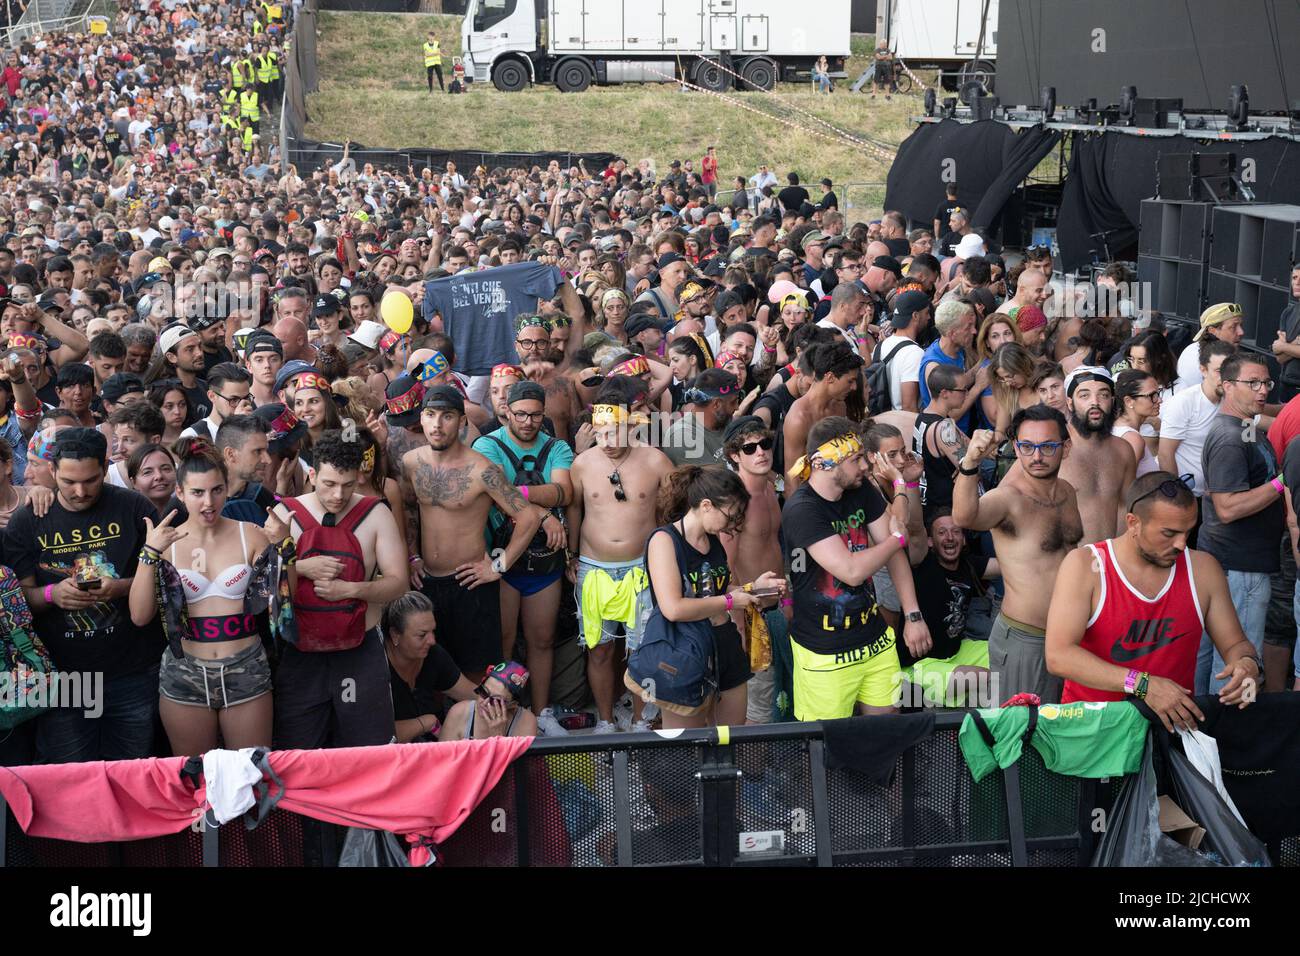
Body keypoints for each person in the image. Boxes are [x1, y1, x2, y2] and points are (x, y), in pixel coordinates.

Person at [1045, 472, 1260, 731]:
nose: (1181, 544)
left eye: (1188, 531)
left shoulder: (1203, 569)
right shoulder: (1086, 566)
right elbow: (1058, 656)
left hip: (1170, 731)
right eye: (1169, 533)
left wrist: (1247, 665)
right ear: (1133, 523)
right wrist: (1143, 685)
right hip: (1093, 732)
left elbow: (1235, 644)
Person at [5, 427, 159, 763]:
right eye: (69, 481)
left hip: (131, 669)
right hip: (64, 677)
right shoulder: (29, 519)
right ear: (53, 472)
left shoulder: (134, 508)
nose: (80, 491)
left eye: (90, 480)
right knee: (69, 779)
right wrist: (52, 594)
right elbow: (17, 601)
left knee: (133, 773)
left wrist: (119, 587)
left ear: (105, 469)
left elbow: (164, 581)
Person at [128, 440, 272, 755]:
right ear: (180, 492)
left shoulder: (252, 534)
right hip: (185, 671)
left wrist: (285, 547)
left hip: (246, 666)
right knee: (194, 776)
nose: (208, 502)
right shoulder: (166, 544)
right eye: (197, 493)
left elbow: (283, 606)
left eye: (217, 490)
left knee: (250, 775)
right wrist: (149, 552)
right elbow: (140, 615)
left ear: (226, 489)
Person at [781, 417, 931, 719]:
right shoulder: (801, 509)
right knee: (829, 744)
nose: (865, 466)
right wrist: (896, 539)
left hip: (874, 641)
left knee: (888, 731)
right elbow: (850, 570)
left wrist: (913, 614)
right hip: (824, 652)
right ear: (823, 464)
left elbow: (895, 555)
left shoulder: (860, 491)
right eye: (856, 459)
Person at [269, 429, 409, 749]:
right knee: (297, 749)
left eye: (347, 485)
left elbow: (398, 583)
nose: (337, 495)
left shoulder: (376, 513)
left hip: (359, 648)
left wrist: (350, 590)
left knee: (368, 749)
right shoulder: (286, 513)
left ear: (358, 476)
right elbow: (264, 584)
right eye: (329, 484)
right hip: (301, 651)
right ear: (313, 474)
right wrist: (300, 567)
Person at [401, 385, 545, 677]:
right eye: (430, 415)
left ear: (463, 421)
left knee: (479, 673)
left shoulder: (483, 470)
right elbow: (408, 510)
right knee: (430, 671)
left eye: (447, 416)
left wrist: (498, 565)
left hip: (470, 585)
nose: (438, 425)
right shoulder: (411, 462)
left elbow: (528, 517)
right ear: (422, 418)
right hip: (427, 582)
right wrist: (413, 556)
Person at [634, 465, 783, 728]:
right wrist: (729, 602)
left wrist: (752, 588)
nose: (734, 525)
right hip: (684, 649)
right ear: (706, 506)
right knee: (685, 744)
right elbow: (673, 608)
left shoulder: (712, 539)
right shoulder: (664, 540)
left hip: (724, 643)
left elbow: (713, 589)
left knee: (730, 735)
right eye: (731, 515)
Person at [954, 406, 1084, 702]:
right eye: (1027, 447)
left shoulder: (1067, 492)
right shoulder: (1009, 498)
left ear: (1065, 448)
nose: (1036, 456)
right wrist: (971, 462)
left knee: (1060, 728)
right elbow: (964, 517)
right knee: (1021, 734)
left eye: (1047, 446)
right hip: (1027, 638)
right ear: (1016, 447)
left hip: (1069, 636)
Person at [566, 383, 674, 733]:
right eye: (601, 432)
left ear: (632, 426)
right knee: (598, 649)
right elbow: (574, 511)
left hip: (643, 569)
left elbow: (672, 512)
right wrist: (570, 555)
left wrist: (669, 561)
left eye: (615, 431)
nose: (608, 439)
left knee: (641, 650)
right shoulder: (582, 464)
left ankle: (643, 719)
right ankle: (606, 720)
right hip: (593, 567)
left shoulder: (655, 460)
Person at [471, 379, 573, 737]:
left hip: (544, 559)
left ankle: (541, 711)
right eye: (520, 414)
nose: (528, 421)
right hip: (503, 555)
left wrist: (521, 493)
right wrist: (544, 513)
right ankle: (499, 710)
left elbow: (565, 490)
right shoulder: (487, 443)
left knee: (541, 639)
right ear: (506, 413)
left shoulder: (557, 446)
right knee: (503, 639)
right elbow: (497, 491)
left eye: (535, 415)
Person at [1197, 351, 1285, 693]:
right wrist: (1283, 482)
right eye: (1253, 383)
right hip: (1239, 570)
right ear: (1227, 386)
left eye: (1266, 382)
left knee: (1213, 662)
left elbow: (1271, 424)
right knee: (1238, 668)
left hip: (1236, 566)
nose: (1262, 390)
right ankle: (1228, 741)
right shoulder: (1230, 438)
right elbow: (1228, 508)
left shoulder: (1244, 426)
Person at [719, 416, 793, 723]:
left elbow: (777, 551)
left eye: (765, 444)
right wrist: (739, 628)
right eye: (750, 448)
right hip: (749, 617)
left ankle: (775, 766)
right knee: (756, 709)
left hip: (776, 610)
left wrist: (787, 602)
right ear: (734, 456)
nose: (760, 452)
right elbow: (724, 571)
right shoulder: (734, 501)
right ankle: (749, 771)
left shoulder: (769, 490)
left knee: (782, 697)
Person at [383, 591, 480, 743]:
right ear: (395, 634)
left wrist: (500, 696)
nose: (432, 641)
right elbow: (375, 735)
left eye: (432, 631)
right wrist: (424, 723)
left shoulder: (433, 655)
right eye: (422, 635)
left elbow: (474, 695)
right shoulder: (376, 666)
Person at [1056, 366, 1135, 544]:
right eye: (1084, 395)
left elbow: (1125, 508)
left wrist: (1117, 557)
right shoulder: (1052, 448)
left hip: (1110, 560)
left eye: (1103, 395)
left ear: (1113, 400)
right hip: (1068, 564)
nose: (1095, 402)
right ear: (1070, 403)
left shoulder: (1123, 450)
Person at [1157, 340, 1235, 500]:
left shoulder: (1233, 401)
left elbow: (1254, 426)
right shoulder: (1184, 402)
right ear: (1203, 370)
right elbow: (1165, 454)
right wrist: (1177, 497)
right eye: (1219, 371)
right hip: (1188, 496)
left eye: (1231, 371)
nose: (1225, 377)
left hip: (1218, 496)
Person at [782, 341, 862, 491]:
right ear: (830, 377)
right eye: (850, 381)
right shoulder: (799, 418)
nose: (854, 387)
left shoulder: (839, 405)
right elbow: (792, 478)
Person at [662, 368, 740, 468]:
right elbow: (714, 482)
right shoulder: (682, 436)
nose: (737, 407)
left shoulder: (726, 421)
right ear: (716, 404)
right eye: (733, 402)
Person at [440, 661, 539, 740]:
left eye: (495, 701)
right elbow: (442, 762)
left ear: (513, 705)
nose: (485, 702)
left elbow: (518, 766)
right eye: (483, 692)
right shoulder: (459, 713)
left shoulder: (525, 722)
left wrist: (498, 738)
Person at [1175, 302, 1245, 392]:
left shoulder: (1191, 349)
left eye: (1240, 325)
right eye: (1233, 327)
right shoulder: (1213, 358)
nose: (1241, 332)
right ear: (1212, 330)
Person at [180, 362, 254, 442]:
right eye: (234, 400)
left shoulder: (256, 430)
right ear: (212, 396)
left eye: (246, 398)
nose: (241, 406)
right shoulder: (192, 435)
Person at [1112, 368, 1161, 477]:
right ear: (1129, 401)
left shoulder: (1116, 427)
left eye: (1158, 393)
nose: (1159, 400)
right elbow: (1123, 483)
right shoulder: (1133, 439)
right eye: (1152, 396)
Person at [128, 443, 179, 518]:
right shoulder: (126, 516)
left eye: (165, 469)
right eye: (147, 472)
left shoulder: (189, 510)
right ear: (133, 482)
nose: (159, 476)